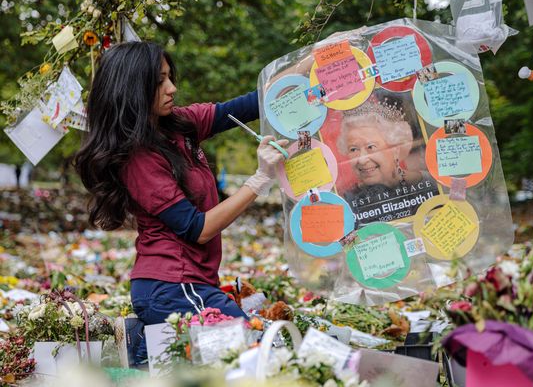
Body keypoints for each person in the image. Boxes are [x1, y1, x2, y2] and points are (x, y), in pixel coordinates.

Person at [73, 42, 287, 362]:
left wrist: (316, 63)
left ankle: (137, 351)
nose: (172, 88)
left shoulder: (180, 124)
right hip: (174, 287)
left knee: (169, 369)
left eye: (170, 77)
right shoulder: (139, 159)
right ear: (133, 89)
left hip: (189, 285)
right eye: (159, 81)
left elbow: (249, 105)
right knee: (254, 352)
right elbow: (197, 229)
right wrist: (259, 180)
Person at [335, 95, 438, 224]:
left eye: (371, 147)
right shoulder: (347, 202)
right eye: (353, 149)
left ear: (395, 149)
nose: (361, 160)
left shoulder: (430, 184)